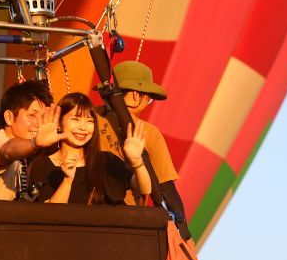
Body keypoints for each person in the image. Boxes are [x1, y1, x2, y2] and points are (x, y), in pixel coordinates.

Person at [96, 60, 191, 238]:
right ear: (134, 95)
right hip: (129, 222)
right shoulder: (148, 132)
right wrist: (184, 233)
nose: (148, 102)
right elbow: (165, 187)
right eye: (148, 98)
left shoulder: (85, 120)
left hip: (83, 215)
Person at [29, 92, 150, 205]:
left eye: (89, 121)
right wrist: (67, 180)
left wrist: (137, 162)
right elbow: (50, 215)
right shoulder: (43, 165)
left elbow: (144, 189)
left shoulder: (106, 160)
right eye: (75, 119)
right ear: (59, 124)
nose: (83, 127)